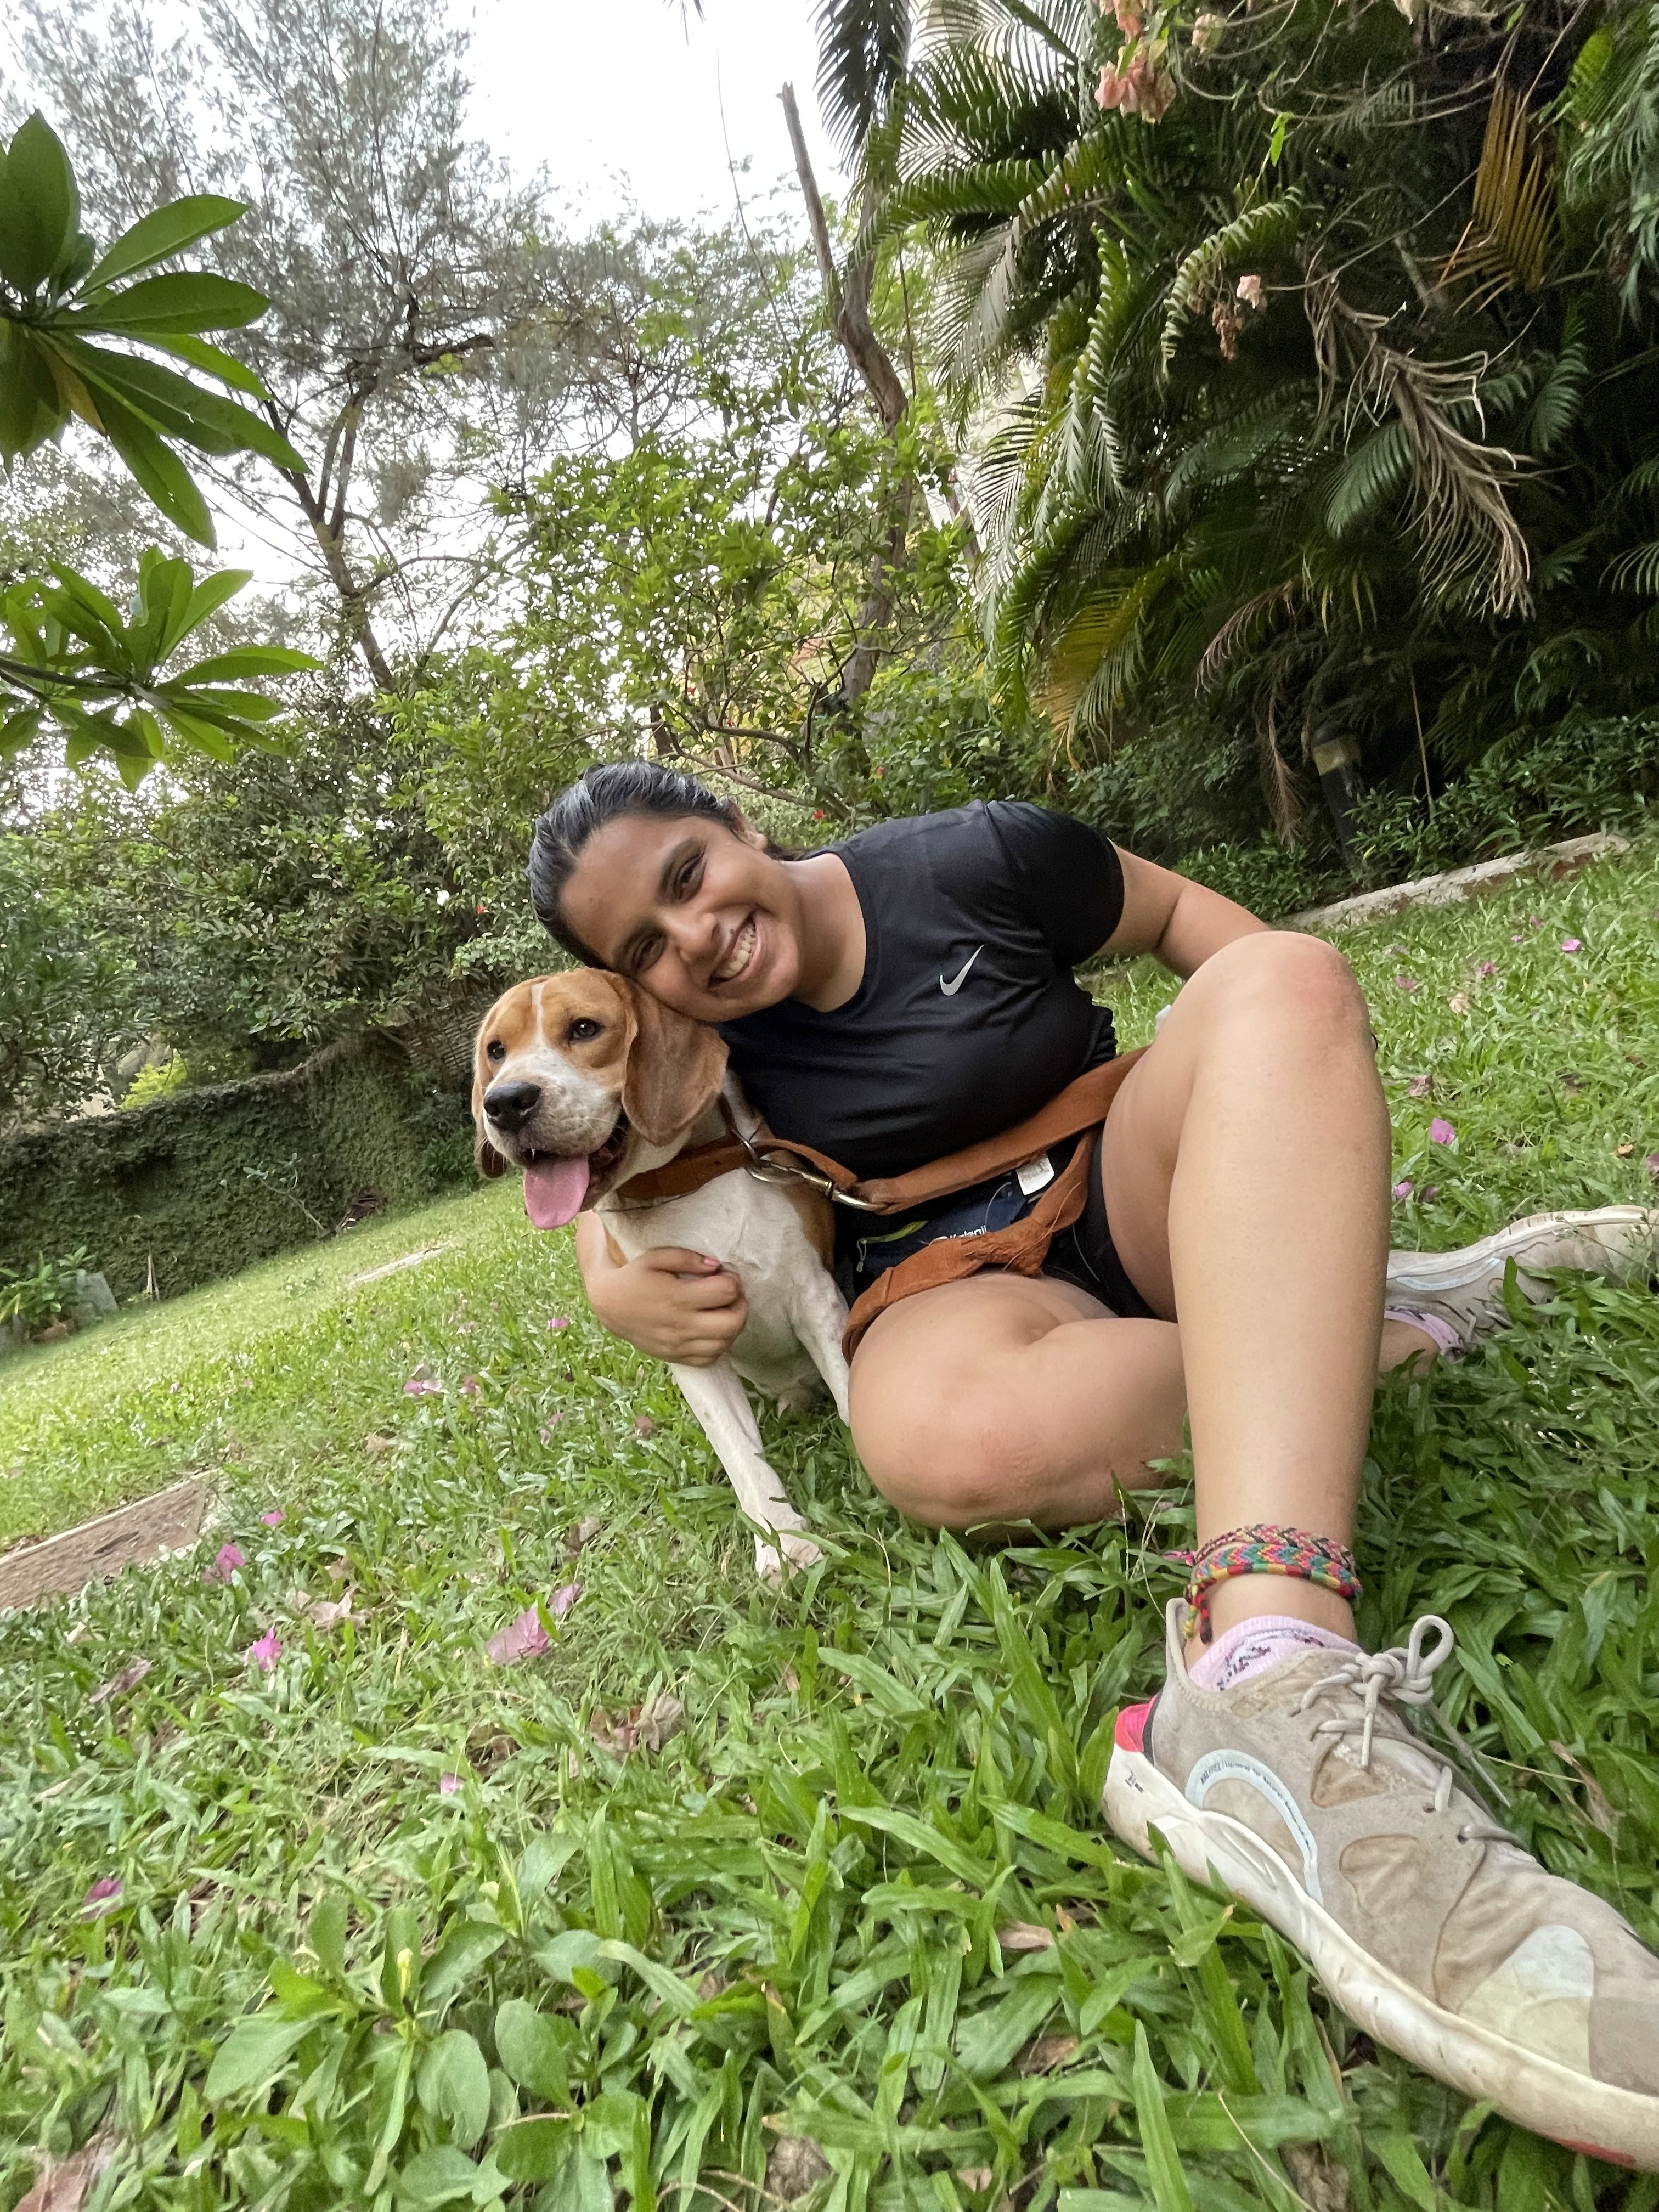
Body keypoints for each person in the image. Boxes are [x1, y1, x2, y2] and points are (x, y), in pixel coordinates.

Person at [527, 762, 1659, 2165]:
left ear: (742, 823)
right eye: (641, 946)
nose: (689, 939)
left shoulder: (973, 860)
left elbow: (1187, 919)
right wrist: (599, 1277)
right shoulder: (692, 1041)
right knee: (938, 1444)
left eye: (688, 876)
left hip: (1125, 1182)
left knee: (1285, 981)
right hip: (951, 1289)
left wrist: (1300, 1112)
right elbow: (587, 1117)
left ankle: (1267, 1669)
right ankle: (1392, 1321)